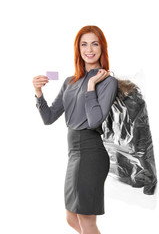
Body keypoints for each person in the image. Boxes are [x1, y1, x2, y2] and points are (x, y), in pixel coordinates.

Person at [32, 25, 118, 234]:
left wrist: (91, 87)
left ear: (102, 48)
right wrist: (38, 93)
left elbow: (94, 121)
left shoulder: (108, 81)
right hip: (74, 154)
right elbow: (49, 118)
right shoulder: (70, 81)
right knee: (72, 217)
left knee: (87, 220)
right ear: (78, 49)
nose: (89, 49)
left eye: (95, 43)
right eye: (84, 44)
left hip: (91, 152)